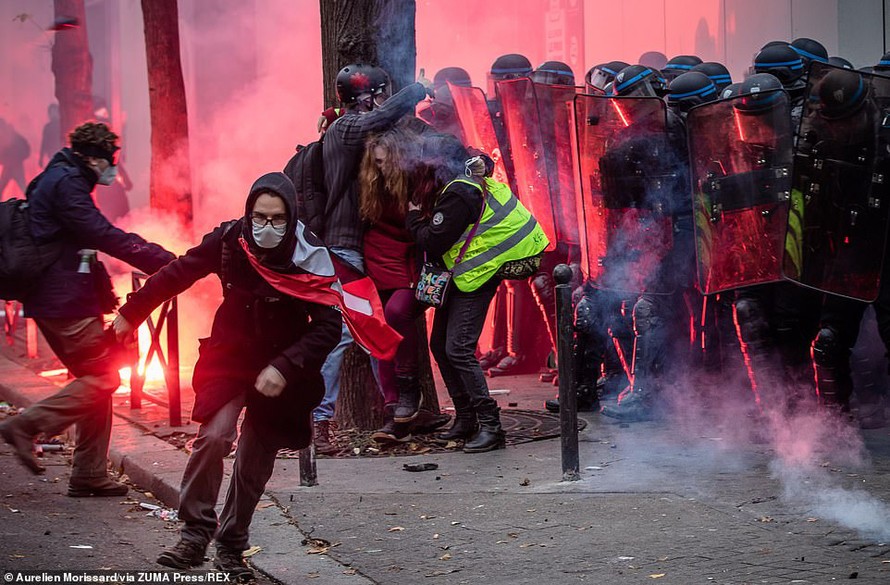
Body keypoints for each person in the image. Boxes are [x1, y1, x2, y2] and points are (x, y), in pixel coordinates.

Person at [113, 172, 342, 578]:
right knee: (214, 435)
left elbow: (328, 326)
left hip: (283, 370)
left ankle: (233, 545)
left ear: (291, 219)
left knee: (254, 461)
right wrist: (133, 312)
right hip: (230, 356)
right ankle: (194, 533)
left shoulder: (310, 256)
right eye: (259, 216)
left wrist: (284, 366)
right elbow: (179, 272)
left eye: (277, 219)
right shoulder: (229, 241)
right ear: (248, 212)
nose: (266, 227)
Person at [0, 122, 174, 493]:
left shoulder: (61, 175)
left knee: (96, 380)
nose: (113, 167)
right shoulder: (66, 183)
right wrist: (162, 260)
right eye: (111, 159)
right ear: (94, 158)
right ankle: (26, 426)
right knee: (106, 376)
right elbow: (101, 233)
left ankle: (90, 472)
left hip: (64, 297)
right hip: (63, 302)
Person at [313, 63, 430, 453]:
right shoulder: (346, 128)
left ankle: (396, 412)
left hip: (360, 249)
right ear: (366, 96)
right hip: (343, 247)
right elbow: (380, 117)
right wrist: (417, 90)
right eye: (379, 93)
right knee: (346, 333)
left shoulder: (341, 127)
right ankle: (321, 423)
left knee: (375, 328)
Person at [408, 153, 549, 452]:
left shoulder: (458, 194)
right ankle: (465, 419)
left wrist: (412, 216)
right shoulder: (463, 181)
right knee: (441, 346)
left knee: (457, 348)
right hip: (465, 275)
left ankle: (491, 426)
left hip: (478, 275)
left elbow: (433, 240)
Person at [360, 129, 465, 441]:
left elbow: (455, 150)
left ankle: (409, 391)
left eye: (386, 162)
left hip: (414, 259)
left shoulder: (420, 176)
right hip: (378, 259)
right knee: (380, 328)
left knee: (397, 313)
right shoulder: (369, 183)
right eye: (375, 163)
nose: (380, 169)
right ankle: (397, 411)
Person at [0, 117, 31, 198]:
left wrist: (18, 159)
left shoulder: (15, 137)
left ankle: (32, 204)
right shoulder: (4, 137)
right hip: (9, 167)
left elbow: (26, 149)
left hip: (16, 167)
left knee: (24, 189)